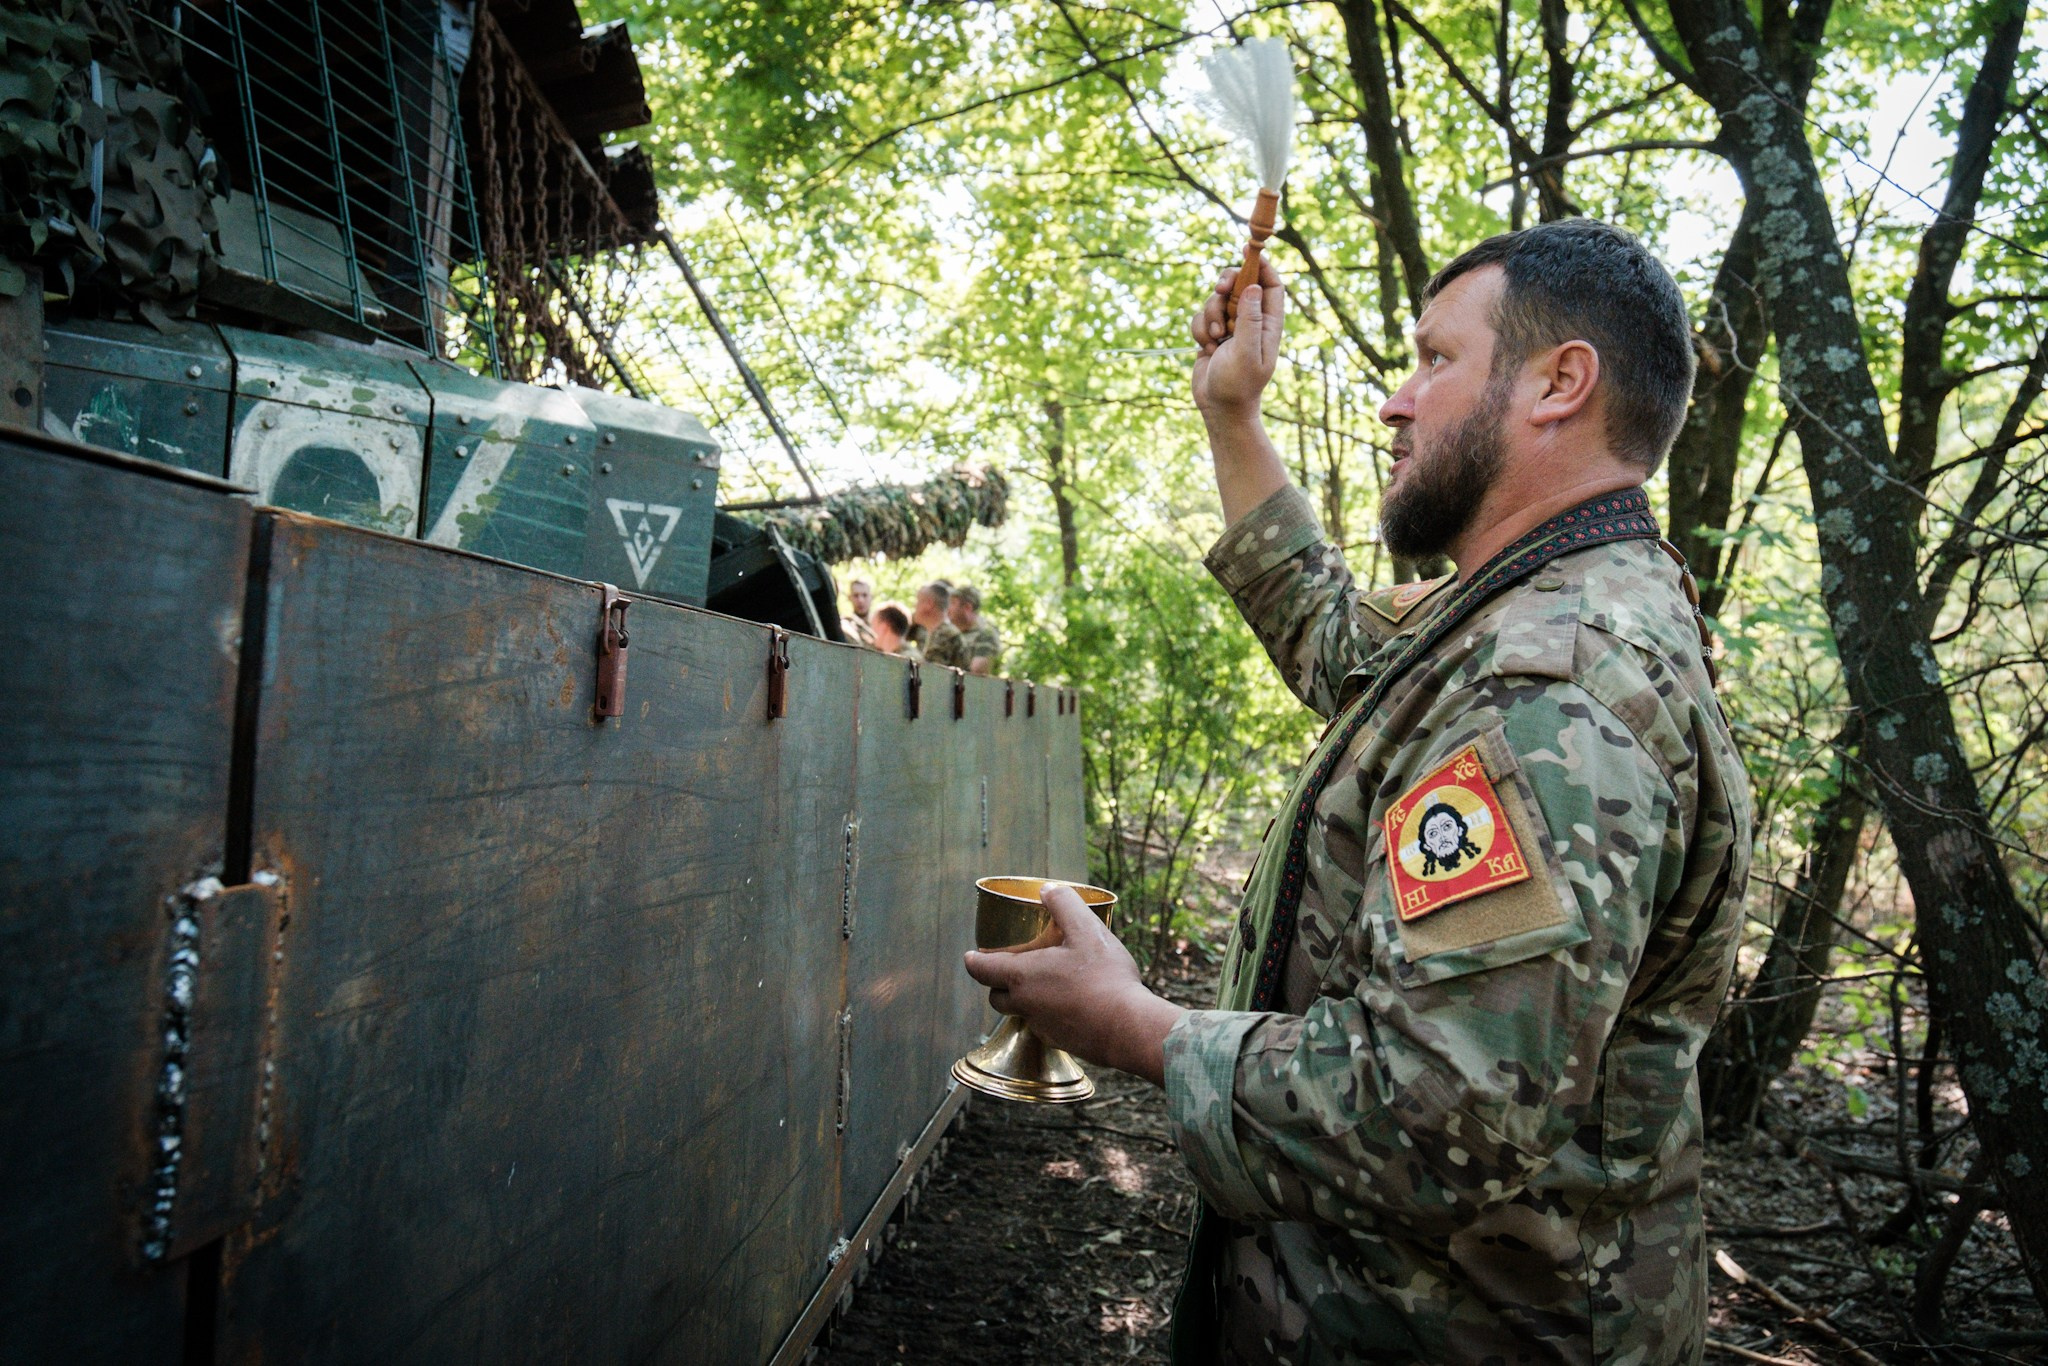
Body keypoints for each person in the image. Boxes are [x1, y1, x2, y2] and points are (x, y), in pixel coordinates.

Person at [964, 220, 1752, 1364]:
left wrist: (1137, 1027)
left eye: (1435, 359)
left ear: (1558, 383)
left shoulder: (1550, 682)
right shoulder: (1525, 606)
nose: (1395, 401)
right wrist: (1230, 411)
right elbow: (1335, 637)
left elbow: (1437, 1110)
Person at [943, 584, 1002, 675]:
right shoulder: (951, 632)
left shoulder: (986, 634)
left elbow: (978, 672)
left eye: (953, 603)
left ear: (967, 607)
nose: (948, 608)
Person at [911, 581, 964, 666]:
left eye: (918, 601)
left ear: (929, 604)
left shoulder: (946, 635)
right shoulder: (939, 631)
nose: (914, 606)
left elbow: (930, 675)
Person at [841, 577, 876, 648]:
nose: (860, 600)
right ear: (849, 598)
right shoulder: (846, 625)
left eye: (864, 595)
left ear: (871, 597)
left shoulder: (881, 626)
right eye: (856, 596)